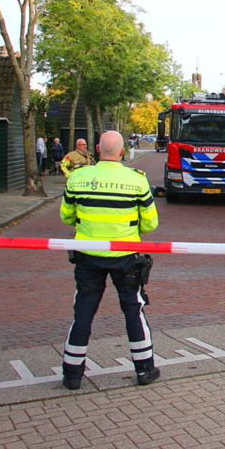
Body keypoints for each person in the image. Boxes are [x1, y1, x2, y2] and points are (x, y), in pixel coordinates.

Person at [59, 130, 160, 390]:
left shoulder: (78, 177)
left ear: (97, 149)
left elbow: (66, 216)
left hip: (87, 254)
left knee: (83, 311)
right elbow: (150, 223)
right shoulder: (137, 180)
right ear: (122, 151)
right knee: (133, 309)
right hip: (125, 256)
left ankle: (72, 374)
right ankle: (144, 369)